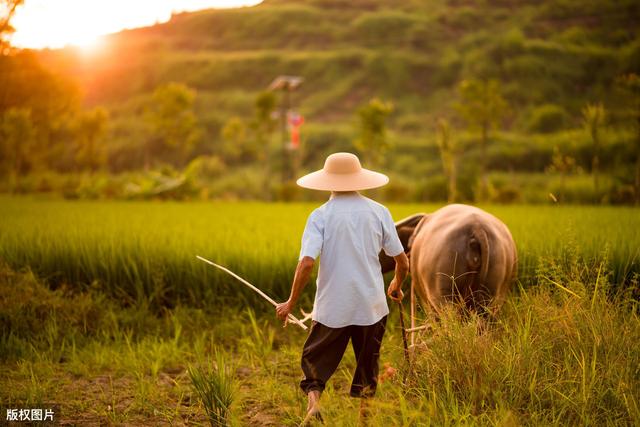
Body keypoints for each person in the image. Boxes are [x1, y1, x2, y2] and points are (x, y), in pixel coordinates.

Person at [275, 152, 410, 424]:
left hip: (331, 308)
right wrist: (396, 283)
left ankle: (313, 406)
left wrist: (290, 302)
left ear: (328, 182)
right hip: (371, 306)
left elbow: (306, 264)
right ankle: (365, 421)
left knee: (313, 362)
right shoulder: (378, 211)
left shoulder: (320, 215)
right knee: (367, 366)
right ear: (359, 179)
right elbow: (402, 260)